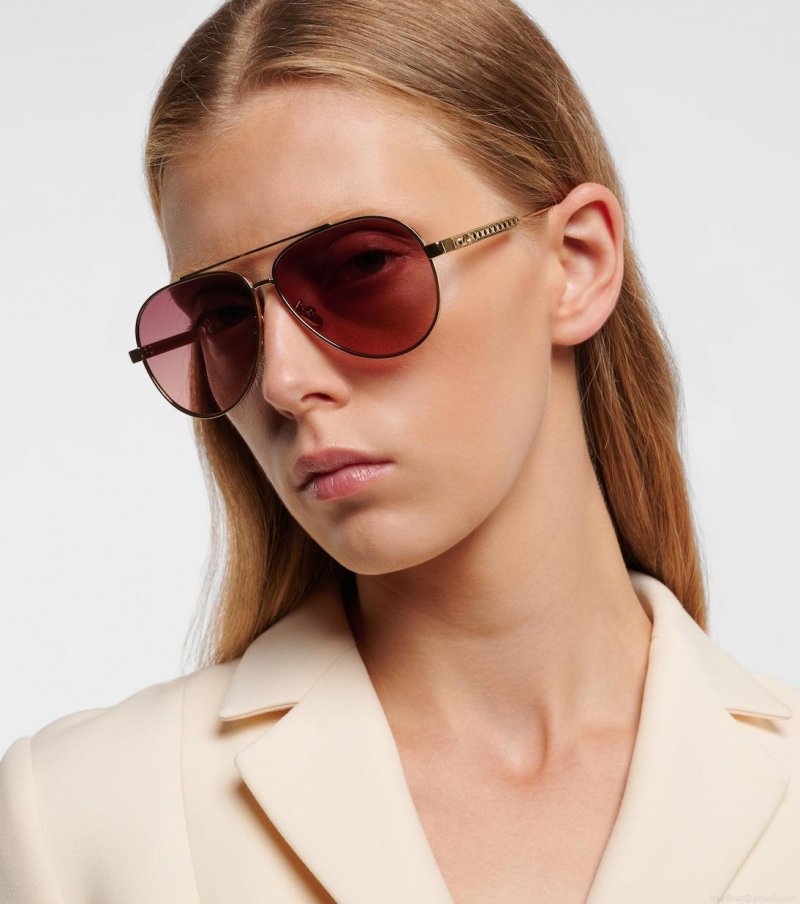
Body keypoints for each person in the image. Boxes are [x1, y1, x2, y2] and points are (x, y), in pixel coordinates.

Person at [1, 0, 798, 901]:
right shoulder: (75, 820)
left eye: (362, 268)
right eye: (224, 318)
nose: (282, 381)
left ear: (576, 263)